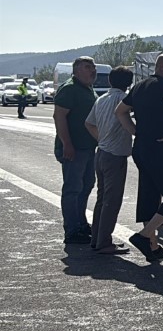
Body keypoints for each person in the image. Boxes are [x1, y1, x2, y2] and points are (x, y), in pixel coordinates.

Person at [115, 53, 163, 262]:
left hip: (142, 147)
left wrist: (136, 131)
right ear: (162, 67)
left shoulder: (139, 86)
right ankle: (145, 236)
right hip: (160, 146)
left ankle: (153, 246)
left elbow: (120, 111)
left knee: (150, 194)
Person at [84, 66, 135, 255]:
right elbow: (124, 120)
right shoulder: (123, 99)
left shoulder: (101, 99)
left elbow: (88, 123)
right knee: (112, 201)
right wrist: (137, 132)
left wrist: (102, 138)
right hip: (115, 155)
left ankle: (97, 238)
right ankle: (104, 242)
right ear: (129, 83)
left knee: (102, 198)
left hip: (102, 151)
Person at [53, 57, 99, 245]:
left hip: (88, 147)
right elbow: (59, 116)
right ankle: (71, 230)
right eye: (88, 67)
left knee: (86, 186)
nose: (93, 70)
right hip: (75, 148)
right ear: (76, 69)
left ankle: (81, 223)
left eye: (93, 67)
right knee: (73, 189)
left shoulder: (87, 88)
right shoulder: (69, 88)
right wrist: (67, 144)